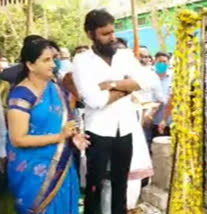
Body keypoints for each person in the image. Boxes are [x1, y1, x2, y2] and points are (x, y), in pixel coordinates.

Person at [73, 9, 154, 214]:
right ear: (90, 33)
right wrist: (127, 88)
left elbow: (146, 82)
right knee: (95, 184)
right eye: (105, 34)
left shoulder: (125, 55)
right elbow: (94, 100)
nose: (112, 37)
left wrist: (112, 84)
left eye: (112, 31)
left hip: (125, 129)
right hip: (98, 131)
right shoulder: (82, 61)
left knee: (121, 182)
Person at [6, 38, 90, 214]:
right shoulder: (21, 95)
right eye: (46, 60)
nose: (53, 64)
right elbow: (18, 138)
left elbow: (64, 121)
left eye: (54, 58)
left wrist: (74, 136)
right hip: (33, 170)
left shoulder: (56, 89)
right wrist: (59, 137)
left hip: (61, 164)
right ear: (30, 64)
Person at [151, 51, 173, 139]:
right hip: (152, 120)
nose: (162, 64)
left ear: (168, 63)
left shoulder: (174, 77)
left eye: (164, 62)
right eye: (159, 61)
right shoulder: (149, 76)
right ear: (155, 62)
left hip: (170, 121)